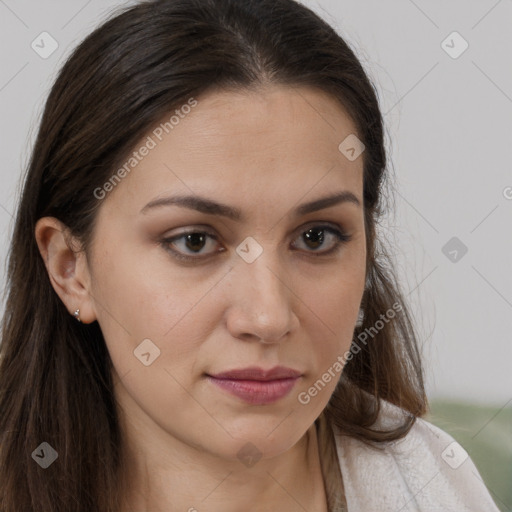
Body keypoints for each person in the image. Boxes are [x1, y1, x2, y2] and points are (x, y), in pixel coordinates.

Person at [0, 0, 500, 511]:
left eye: (316, 237)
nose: (268, 317)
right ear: (70, 268)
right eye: (194, 241)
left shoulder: (433, 488)